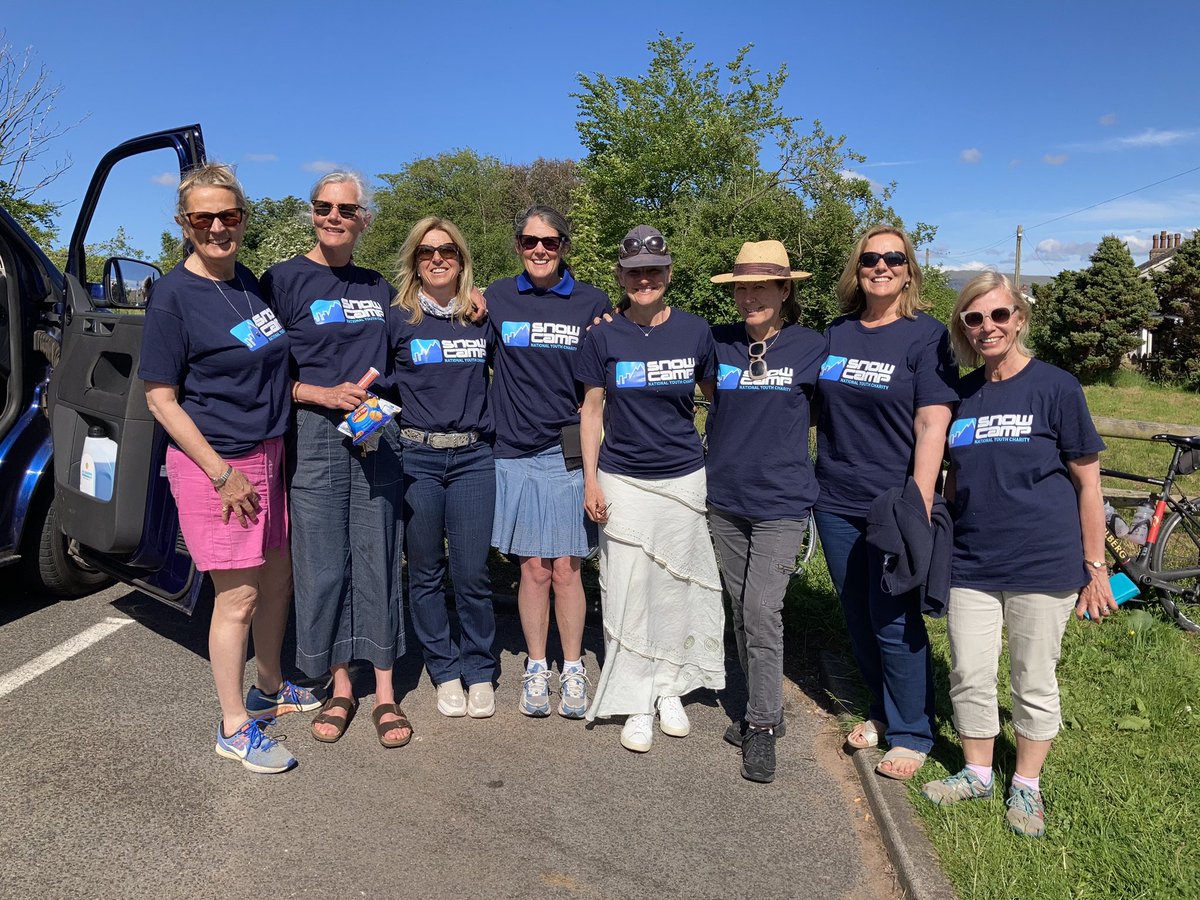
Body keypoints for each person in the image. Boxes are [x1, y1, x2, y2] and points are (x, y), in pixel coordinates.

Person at [920, 272, 1116, 836]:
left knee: (1033, 679)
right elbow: (954, 478)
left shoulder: (1056, 387)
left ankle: (1026, 786)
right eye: (974, 318)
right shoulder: (960, 394)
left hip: (1042, 562)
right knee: (969, 672)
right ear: (963, 326)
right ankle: (979, 772)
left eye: (999, 315)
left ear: (1019, 318)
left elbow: (1088, 483)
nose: (988, 327)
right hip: (971, 563)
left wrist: (1095, 567)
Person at [141, 163, 318, 774]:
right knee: (237, 596)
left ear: (244, 217)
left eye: (230, 215)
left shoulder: (246, 281)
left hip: (267, 453)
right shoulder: (173, 296)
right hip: (217, 464)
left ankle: (269, 689)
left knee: (277, 579)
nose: (219, 227)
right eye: (203, 218)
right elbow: (160, 399)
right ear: (184, 225)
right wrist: (221, 472)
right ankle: (233, 726)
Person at [260, 172, 409, 749]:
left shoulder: (377, 287)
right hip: (314, 433)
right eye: (324, 206)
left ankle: (387, 691)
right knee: (322, 563)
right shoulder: (283, 281)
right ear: (313, 212)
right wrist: (317, 394)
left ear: (363, 218)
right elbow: (265, 370)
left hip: (374, 432)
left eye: (346, 209)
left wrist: (475, 305)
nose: (334, 216)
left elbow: (419, 333)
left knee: (377, 555)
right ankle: (340, 684)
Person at [814, 225, 958, 781]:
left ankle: (913, 731)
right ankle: (882, 709)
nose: (881, 265)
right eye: (871, 257)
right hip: (833, 497)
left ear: (909, 270)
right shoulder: (837, 333)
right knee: (857, 614)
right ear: (857, 268)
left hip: (893, 502)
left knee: (894, 619)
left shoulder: (927, 337)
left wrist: (918, 502)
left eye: (894, 258)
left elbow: (932, 421)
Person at [577, 225, 725, 753]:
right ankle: (635, 698)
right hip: (623, 478)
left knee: (675, 589)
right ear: (621, 275)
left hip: (685, 478)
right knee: (627, 590)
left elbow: (721, 400)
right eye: (635, 271)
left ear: (668, 274)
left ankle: (669, 689)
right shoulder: (602, 336)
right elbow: (591, 411)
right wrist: (591, 478)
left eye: (654, 271)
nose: (645, 279)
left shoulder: (695, 332)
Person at [705, 240, 825, 783]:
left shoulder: (811, 348)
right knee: (738, 605)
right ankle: (758, 703)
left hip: (781, 502)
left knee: (761, 610)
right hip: (726, 499)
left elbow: (830, 413)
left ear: (785, 290)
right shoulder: (719, 342)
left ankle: (762, 724)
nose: (750, 296)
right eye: (742, 287)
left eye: (761, 286)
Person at [485, 206, 610, 718]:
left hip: (567, 453)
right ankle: (537, 666)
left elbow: (602, 383)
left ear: (564, 246)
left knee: (567, 567)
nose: (540, 249)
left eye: (550, 242)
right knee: (532, 569)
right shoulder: (495, 296)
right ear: (518, 244)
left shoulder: (591, 303)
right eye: (530, 241)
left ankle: (574, 667)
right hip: (513, 450)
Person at [391, 217, 497, 719]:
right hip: (418, 457)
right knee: (426, 571)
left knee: (472, 571)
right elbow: (371, 381)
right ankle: (444, 667)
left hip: (474, 457)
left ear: (461, 259)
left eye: (448, 251)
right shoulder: (397, 320)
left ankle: (479, 668)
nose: (437, 258)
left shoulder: (481, 316)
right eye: (427, 251)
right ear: (415, 260)